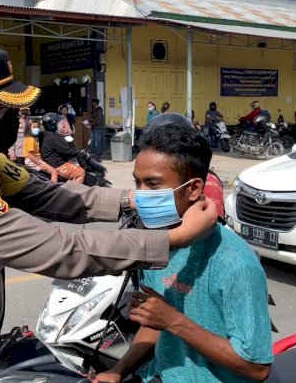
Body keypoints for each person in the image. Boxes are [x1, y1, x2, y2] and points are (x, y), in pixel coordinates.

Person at [0, 47, 217, 382]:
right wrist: (172, 238)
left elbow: (50, 195)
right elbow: (58, 247)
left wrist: (135, 199)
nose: (10, 120)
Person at [96, 123, 273, 383]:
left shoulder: (235, 263)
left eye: (153, 184)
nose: (140, 195)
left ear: (193, 189)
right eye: (137, 182)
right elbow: (154, 323)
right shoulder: (157, 244)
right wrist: (118, 370)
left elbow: (256, 368)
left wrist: (173, 321)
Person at [41, 112, 86, 184]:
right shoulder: (54, 137)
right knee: (81, 172)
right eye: (58, 122)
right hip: (57, 165)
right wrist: (80, 153)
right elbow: (67, 151)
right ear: (53, 124)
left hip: (49, 162)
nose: (60, 124)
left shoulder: (45, 135)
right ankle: (74, 193)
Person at [23, 118, 58, 182]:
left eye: (37, 127)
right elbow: (30, 155)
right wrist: (40, 164)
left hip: (34, 160)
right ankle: (53, 189)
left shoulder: (30, 138)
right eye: (34, 127)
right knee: (54, 172)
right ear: (29, 128)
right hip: (33, 161)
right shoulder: (31, 139)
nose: (36, 129)